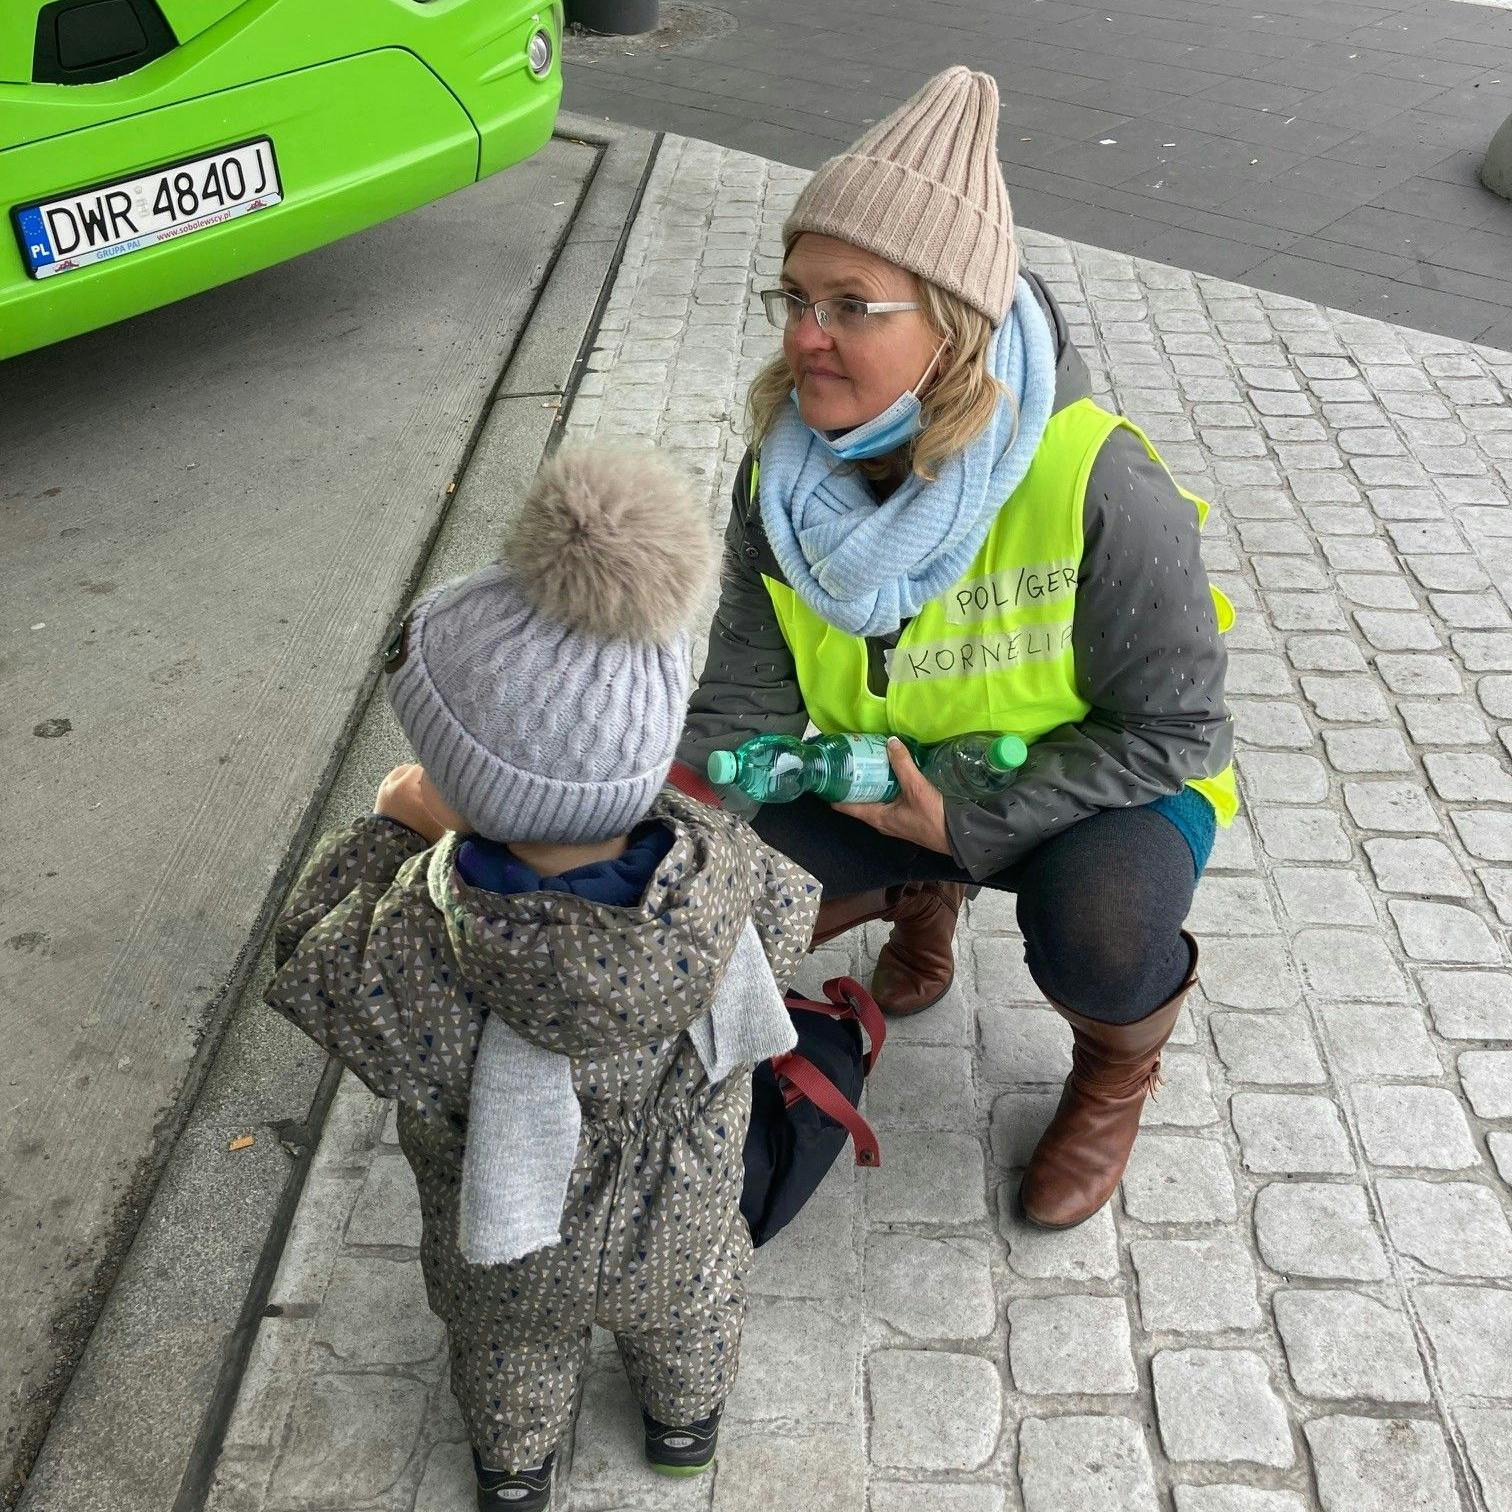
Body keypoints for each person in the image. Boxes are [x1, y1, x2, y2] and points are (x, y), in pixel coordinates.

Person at [676, 66, 1237, 1233]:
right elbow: (738, 704)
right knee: (713, 892)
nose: (805, 337)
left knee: (1102, 938)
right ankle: (918, 894)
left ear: (954, 328)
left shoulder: (1099, 482)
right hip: (884, 781)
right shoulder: (779, 480)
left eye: (850, 305)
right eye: (793, 297)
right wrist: (679, 855)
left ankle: (1116, 1068)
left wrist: (969, 821)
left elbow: (1178, 733)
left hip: (1092, 791)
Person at [266, 449, 819, 1511]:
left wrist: (391, 830)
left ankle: (516, 1476)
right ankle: (683, 1430)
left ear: (466, 788)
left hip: (505, 1260)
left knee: (507, 1358)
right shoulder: (732, 882)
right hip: (682, 1227)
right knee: (693, 1317)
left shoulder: (414, 953)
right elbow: (792, 919)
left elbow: (309, 958)